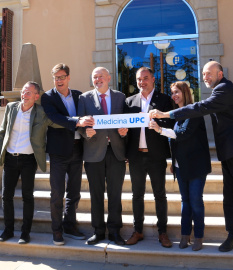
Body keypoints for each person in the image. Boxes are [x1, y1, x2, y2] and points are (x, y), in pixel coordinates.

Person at [149, 61, 233, 258]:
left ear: (220, 74)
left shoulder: (224, 89)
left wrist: (166, 114)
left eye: (209, 74)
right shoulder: (218, 91)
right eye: (203, 74)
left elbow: (200, 108)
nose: (205, 77)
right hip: (229, 153)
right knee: (229, 198)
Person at [149, 82, 211, 251]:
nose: (174, 95)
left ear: (185, 92)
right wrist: (173, 161)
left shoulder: (194, 111)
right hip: (180, 166)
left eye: (176, 92)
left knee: (196, 202)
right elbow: (175, 143)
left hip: (196, 166)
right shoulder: (177, 115)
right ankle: (185, 235)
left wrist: (160, 130)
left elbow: (183, 135)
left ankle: (198, 237)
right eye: (172, 93)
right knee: (185, 201)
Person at [0, 81, 61, 244]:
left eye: (28, 93)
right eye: (23, 92)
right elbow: (2, 131)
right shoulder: (11, 108)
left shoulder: (41, 112)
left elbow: (57, 122)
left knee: (28, 196)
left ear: (36, 96)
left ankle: (25, 233)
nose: (24, 95)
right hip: (11, 158)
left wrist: (76, 122)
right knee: (6, 196)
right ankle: (8, 230)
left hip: (29, 159)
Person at [41, 63, 93, 246]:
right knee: (57, 192)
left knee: (74, 191)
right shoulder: (47, 97)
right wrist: (78, 121)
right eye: (56, 77)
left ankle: (70, 225)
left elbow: (89, 115)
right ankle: (57, 230)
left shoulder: (79, 96)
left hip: (78, 148)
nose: (59, 80)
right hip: (58, 152)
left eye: (62, 77)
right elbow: (55, 117)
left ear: (68, 77)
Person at [77, 67, 128, 246]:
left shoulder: (121, 97)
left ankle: (115, 232)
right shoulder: (84, 98)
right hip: (93, 154)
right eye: (94, 77)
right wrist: (85, 132)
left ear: (109, 78)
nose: (98, 79)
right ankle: (98, 231)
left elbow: (126, 122)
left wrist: (124, 132)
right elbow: (80, 123)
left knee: (115, 194)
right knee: (95, 194)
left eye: (101, 76)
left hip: (116, 152)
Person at [125, 67, 174, 248]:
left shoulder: (164, 100)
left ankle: (163, 232)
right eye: (139, 79)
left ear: (153, 79)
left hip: (156, 156)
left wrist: (157, 123)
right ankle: (138, 231)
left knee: (159, 195)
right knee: (137, 195)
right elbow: (126, 130)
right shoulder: (130, 101)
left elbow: (171, 123)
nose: (142, 82)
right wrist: (123, 133)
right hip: (136, 157)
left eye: (145, 78)